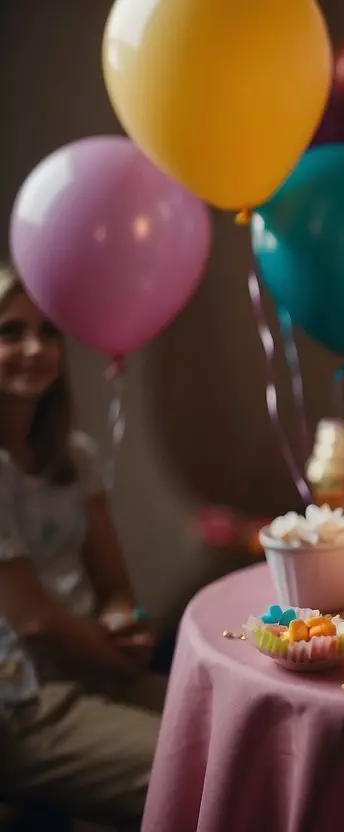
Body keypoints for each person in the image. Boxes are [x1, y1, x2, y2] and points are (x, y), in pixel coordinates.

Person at [0, 262, 162, 827]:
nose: (33, 349)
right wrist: (113, 652)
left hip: (94, 663)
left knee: (243, 725)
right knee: (203, 763)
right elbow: (33, 621)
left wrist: (124, 619)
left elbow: (113, 582)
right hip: (24, 700)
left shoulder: (76, 456)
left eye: (48, 332)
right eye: (10, 332)